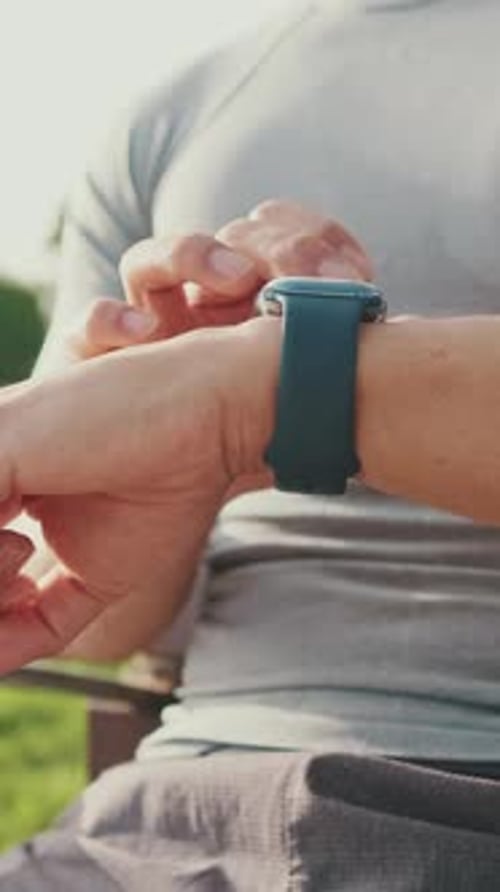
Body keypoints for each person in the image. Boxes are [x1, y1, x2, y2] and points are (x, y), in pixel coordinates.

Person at [3, 0, 500, 886]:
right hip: (167, 816)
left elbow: (235, 397)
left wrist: (249, 392)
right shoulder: (168, 116)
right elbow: (96, 619)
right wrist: (132, 417)